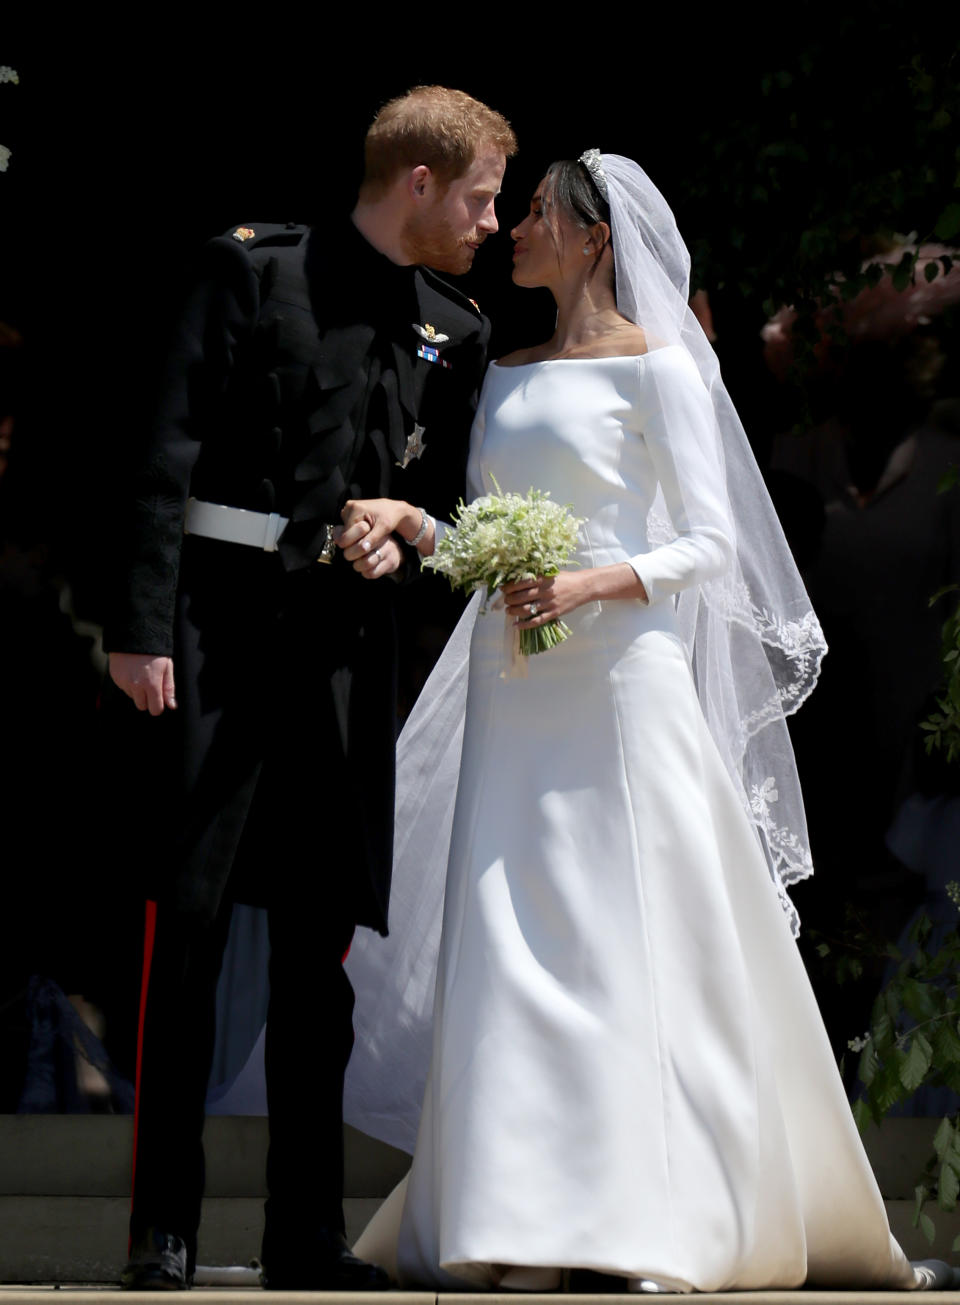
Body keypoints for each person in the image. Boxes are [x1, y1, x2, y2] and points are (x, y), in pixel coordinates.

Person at [335, 153, 946, 1290]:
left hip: (625, 677)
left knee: (635, 936)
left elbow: (711, 545)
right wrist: (424, 530)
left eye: (534, 216)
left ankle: (658, 1216)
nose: (514, 230)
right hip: (515, 685)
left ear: (592, 237)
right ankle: (515, 1219)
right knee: (512, 938)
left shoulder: (665, 366)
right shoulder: (503, 367)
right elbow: (484, 537)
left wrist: (585, 585)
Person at [102, 86, 516, 1291]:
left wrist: (406, 535)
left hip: (345, 658)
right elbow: (160, 450)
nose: (491, 224)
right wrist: (137, 628)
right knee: (184, 938)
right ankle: (162, 1229)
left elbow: (433, 492)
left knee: (314, 959)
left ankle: (302, 1236)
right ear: (423, 184)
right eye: (484, 198)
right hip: (214, 638)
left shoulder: (455, 324)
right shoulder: (249, 272)